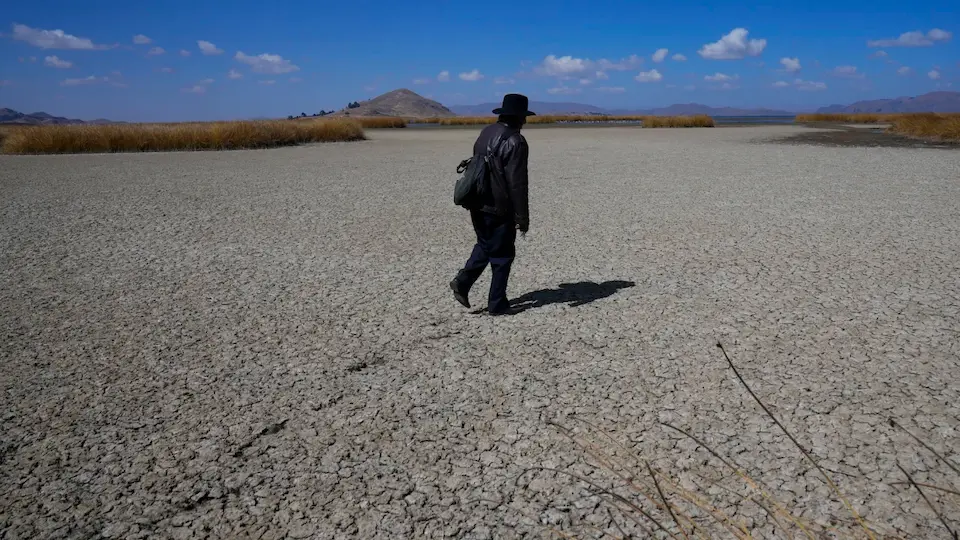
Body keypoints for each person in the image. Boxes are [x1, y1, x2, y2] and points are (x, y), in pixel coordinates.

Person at [450, 93, 533, 315]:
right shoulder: (516, 141)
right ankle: (497, 304)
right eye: (523, 117)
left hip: (477, 200)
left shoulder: (487, 132)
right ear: (518, 117)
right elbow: (517, 184)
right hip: (499, 206)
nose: (524, 122)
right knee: (503, 255)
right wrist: (522, 218)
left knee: (486, 244)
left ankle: (463, 282)